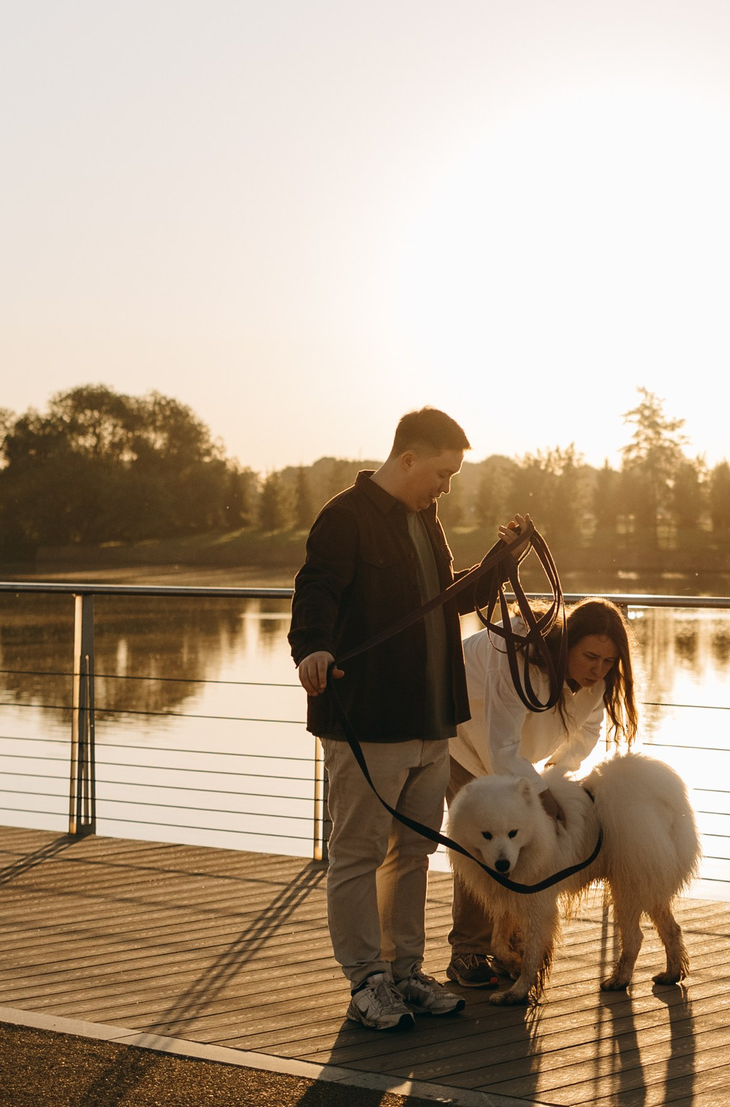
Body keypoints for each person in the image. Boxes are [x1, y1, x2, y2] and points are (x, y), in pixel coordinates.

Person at [291, 407, 475, 1032]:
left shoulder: (426, 520)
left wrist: (500, 566)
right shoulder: (343, 518)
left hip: (430, 717)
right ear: (408, 460)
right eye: (443, 473)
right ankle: (366, 980)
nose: (446, 486)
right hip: (367, 719)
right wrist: (311, 646)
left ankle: (405, 974)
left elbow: (446, 601)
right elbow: (314, 588)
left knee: (415, 852)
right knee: (359, 852)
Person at [442, 592, 638, 988]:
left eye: (608, 661)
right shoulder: (516, 656)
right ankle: (468, 951)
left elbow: (585, 731)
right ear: (567, 643)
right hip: (464, 739)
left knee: (527, 843)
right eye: (590, 658)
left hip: (514, 753)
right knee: (481, 844)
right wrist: (540, 792)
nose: (599, 669)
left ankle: (512, 947)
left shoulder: (596, 679)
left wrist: (552, 779)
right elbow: (500, 748)